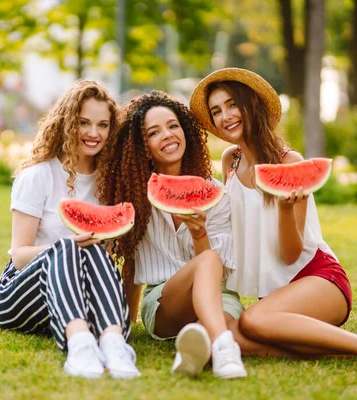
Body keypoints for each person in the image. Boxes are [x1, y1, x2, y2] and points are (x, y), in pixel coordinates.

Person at [188, 67, 357, 375]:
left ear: (251, 105)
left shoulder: (290, 162)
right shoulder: (230, 162)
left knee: (250, 322)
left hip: (318, 280)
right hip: (276, 300)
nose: (226, 116)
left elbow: (291, 254)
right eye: (216, 110)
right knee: (234, 337)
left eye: (233, 104)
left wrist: (287, 210)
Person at [0, 79, 140, 379]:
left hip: (81, 298)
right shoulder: (38, 176)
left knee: (92, 250)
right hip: (20, 296)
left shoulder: (108, 183)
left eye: (103, 124)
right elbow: (19, 256)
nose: (93, 133)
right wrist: (70, 245)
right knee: (71, 246)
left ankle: (113, 343)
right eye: (84, 123)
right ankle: (80, 344)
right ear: (68, 122)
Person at [96, 91, 247, 379]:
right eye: (154, 132)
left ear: (186, 131)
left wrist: (199, 232)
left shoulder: (216, 193)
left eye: (173, 126)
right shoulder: (135, 198)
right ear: (142, 146)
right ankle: (225, 349)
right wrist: (125, 324)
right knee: (208, 262)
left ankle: (195, 350)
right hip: (166, 303)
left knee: (221, 315)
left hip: (218, 296)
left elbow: (218, 270)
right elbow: (131, 265)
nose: (167, 135)